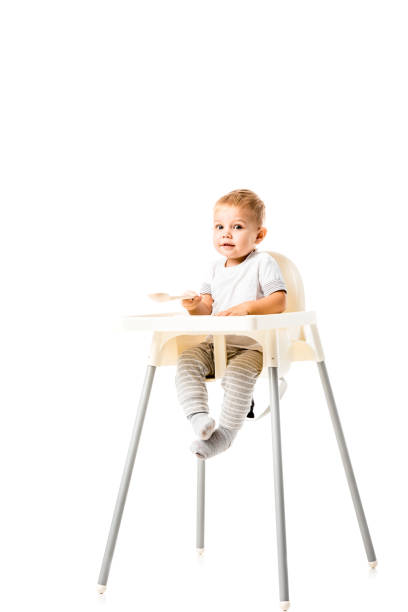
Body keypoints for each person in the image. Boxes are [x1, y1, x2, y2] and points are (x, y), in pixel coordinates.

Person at [175, 189, 287, 460]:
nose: (226, 233)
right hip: (216, 344)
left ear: (258, 235)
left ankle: (224, 435)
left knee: (238, 375)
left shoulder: (262, 262)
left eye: (237, 227)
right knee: (187, 360)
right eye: (220, 227)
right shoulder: (214, 269)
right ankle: (198, 416)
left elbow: (279, 301)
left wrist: (247, 307)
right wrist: (193, 306)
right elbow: (206, 309)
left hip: (253, 348)